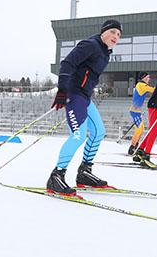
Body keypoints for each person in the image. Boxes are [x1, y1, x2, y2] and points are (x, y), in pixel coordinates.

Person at [47, 19, 122, 195]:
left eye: (118, 35)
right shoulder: (90, 44)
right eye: (112, 32)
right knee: (79, 135)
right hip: (74, 94)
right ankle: (56, 176)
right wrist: (62, 90)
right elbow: (67, 63)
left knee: (98, 132)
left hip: (85, 97)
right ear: (103, 32)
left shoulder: (105, 53)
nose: (116, 37)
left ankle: (84, 173)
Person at [128, 72, 155, 155]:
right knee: (139, 128)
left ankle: (135, 145)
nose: (149, 79)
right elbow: (153, 90)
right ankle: (132, 147)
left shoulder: (142, 85)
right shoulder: (141, 85)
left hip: (137, 111)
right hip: (134, 111)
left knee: (141, 128)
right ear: (143, 78)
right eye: (148, 77)